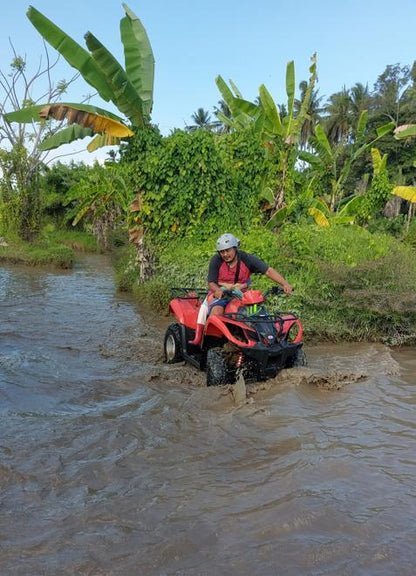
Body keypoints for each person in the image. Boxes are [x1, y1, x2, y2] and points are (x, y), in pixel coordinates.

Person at [189, 233, 293, 345]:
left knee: (257, 313)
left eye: (228, 250)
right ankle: (211, 343)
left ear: (235, 248)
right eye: (222, 252)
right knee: (216, 312)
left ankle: (263, 339)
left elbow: (268, 270)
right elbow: (211, 282)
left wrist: (285, 284)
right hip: (221, 295)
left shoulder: (247, 259)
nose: (225, 254)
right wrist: (218, 291)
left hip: (242, 296)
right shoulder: (216, 260)